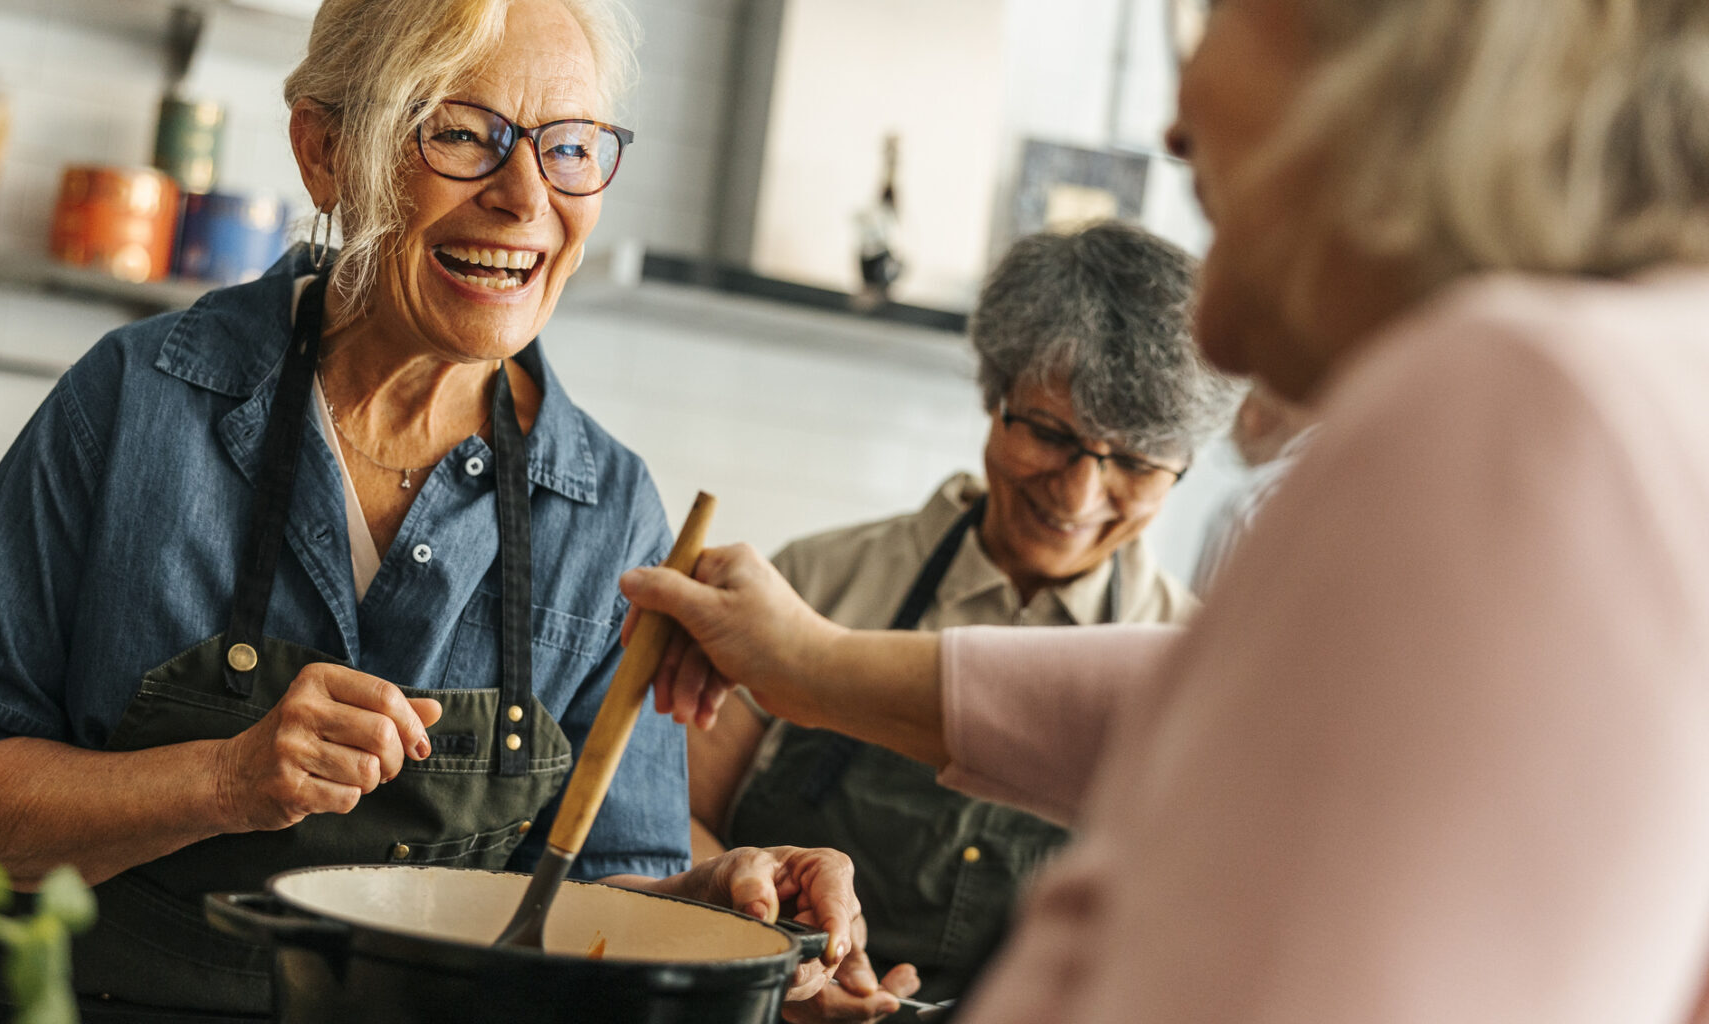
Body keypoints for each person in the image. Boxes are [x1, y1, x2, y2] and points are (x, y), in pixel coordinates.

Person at [621, 0, 1709, 1021]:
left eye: (1222, 11)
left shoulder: (1519, 411)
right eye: (1049, 433)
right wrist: (812, 665)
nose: (1173, 120)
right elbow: (1205, 700)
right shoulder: (1643, 389)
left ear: (1400, 68)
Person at [0, 0, 855, 1013]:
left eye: (569, 147)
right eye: (461, 133)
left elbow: (592, 902)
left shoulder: (608, 509)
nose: (526, 198)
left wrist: (713, 909)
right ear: (325, 151)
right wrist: (222, 781)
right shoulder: (135, 405)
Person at [688, 223, 1237, 1020]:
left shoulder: (1204, 669)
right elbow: (678, 818)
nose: (1080, 495)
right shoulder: (813, 583)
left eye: (1135, 462)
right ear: (994, 395)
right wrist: (768, 944)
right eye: (1050, 434)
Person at [1191, 381, 1315, 593]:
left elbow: (1213, 610)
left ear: (1250, 416)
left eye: (1244, 458)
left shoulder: (1250, 504)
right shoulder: (1364, 481)